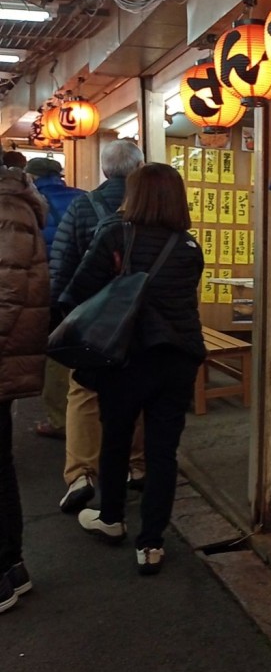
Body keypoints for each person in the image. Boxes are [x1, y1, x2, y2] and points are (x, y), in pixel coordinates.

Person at [62, 163, 205, 575]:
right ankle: (152, 544)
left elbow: (78, 292)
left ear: (135, 194)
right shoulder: (189, 245)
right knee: (163, 451)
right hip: (177, 357)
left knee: (117, 438)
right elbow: (184, 302)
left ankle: (111, 518)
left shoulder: (114, 233)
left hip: (124, 356)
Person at [49, 139, 145, 513]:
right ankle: (135, 466)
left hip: (91, 315)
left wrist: (60, 315)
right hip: (137, 315)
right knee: (135, 389)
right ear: (138, 168)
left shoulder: (81, 205)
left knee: (84, 391)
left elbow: (62, 264)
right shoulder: (150, 207)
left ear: (105, 170)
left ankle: (80, 473)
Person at [0, 164, 50, 612]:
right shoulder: (17, 209)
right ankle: (9, 565)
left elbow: (9, 293)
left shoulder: (8, 211)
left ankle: (6, 567)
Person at [24, 156, 85, 439]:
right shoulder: (84, 198)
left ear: (32, 177)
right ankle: (89, 412)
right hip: (87, 285)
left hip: (48, 287)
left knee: (56, 351)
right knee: (87, 348)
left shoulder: (30, 205)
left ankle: (60, 419)